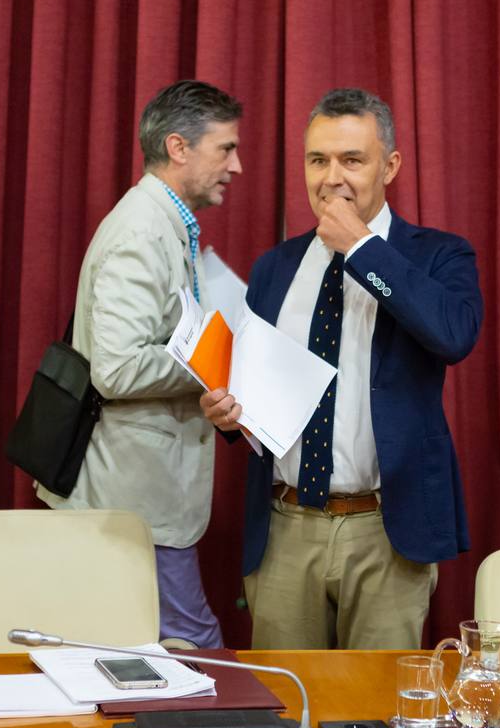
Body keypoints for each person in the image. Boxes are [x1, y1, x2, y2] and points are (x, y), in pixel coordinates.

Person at [201, 88, 482, 649]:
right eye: (317, 160)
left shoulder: (439, 255)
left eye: (352, 160)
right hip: (286, 528)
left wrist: (361, 249)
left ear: (390, 166)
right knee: (288, 716)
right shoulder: (275, 267)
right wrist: (227, 415)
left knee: (377, 720)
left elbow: (453, 335)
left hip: (386, 532)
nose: (332, 177)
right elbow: (253, 388)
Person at [35, 80, 242, 649]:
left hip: (139, 491)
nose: (237, 165)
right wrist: (217, 360)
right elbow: (117, 367)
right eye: (225, 149)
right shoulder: (141, 231)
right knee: (195, 650)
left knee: (150, 648)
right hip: (133, 495)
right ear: (179, 148)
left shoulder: (162, 222)